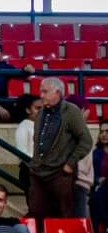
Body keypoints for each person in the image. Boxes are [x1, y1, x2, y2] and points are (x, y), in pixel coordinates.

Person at [27, 76, 91, 224]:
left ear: (57, 92)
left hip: (60, 173)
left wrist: (70, 163)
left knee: (65, 214)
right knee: (36, 212)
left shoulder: (71, 111)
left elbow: (86, 141)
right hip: (38, 171)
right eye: (40, 91)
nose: (41, 95)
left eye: (45, 91)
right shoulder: (41, 112)